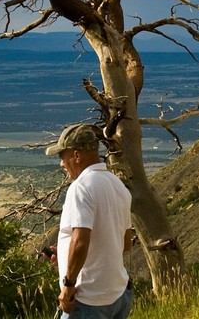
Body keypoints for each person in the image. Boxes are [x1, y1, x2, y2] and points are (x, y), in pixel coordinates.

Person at [47, 123, 134, 318]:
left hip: (88, 300)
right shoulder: (117, 185)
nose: (61, 163)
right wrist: (63, 254)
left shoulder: (81, 187)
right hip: (118, 295)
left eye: (63, 156)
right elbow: (125, 243)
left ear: (77, 155)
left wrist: (68, 286)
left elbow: (80, 242)